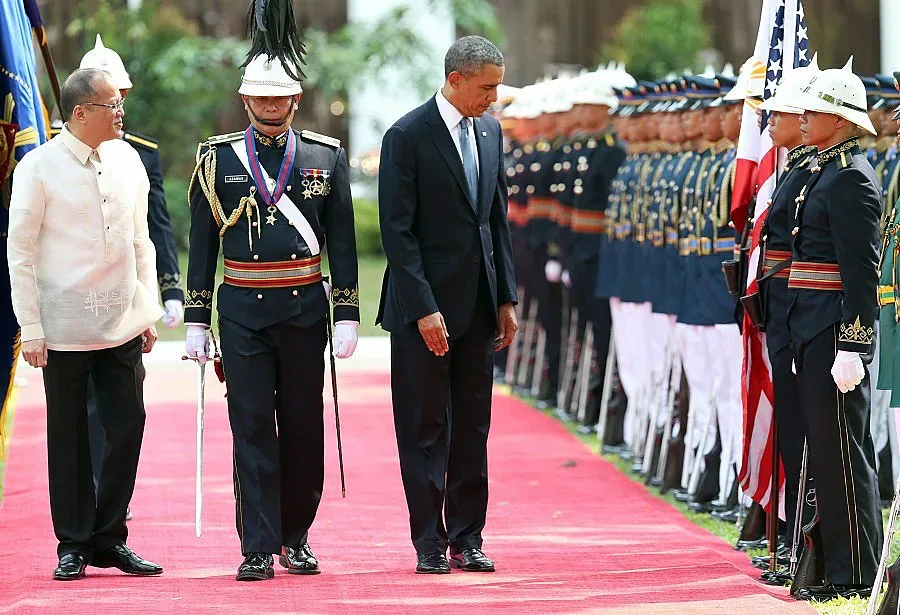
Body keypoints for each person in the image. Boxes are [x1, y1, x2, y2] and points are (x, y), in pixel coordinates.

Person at [184, 0, 359, 581]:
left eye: (277, 97)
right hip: (241, 313)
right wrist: (194, 318)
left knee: (305, 426)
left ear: (294, 99)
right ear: (244, 100)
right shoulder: (217, 159)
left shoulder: (323, 157)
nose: (268, 105)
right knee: (253, 425)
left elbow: (342, 240)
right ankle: (256, 543)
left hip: (305, 310)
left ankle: (297, 533)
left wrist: (347, 312)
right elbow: (203, 243)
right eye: (258, 97)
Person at [7, 68, 164, 581]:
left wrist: (148, 310)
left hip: (121, 320)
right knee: (70, 436)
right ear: (80, 112)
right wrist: (30, 326)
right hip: (63, 326)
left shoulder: (129, 159)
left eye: (120, 103)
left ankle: (109, 535)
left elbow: (141, 239)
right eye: (111, 105)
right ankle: (72, 542)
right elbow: (21, 251)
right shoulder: (38, 167)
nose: (121, 112)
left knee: (128, 428)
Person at [377, 35, 518, 574]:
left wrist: (505, 294)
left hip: (480, 306)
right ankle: (429, 541)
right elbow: (398, 232)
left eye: (497, 87)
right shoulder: (407, 135)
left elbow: (496, 219)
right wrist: (423, 307)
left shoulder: (490, 131)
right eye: (486, 87)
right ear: (456, 79)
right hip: (423, 311)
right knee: (424, 427)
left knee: (472, 428)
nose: (494, 98)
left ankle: (468, 535)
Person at [781, 61, 884, 602]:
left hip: (835, 329)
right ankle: (835, 562)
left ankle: (856, 570)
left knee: (844, 451)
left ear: (840, 120)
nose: (802, 117)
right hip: (811, 322)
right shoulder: (825, 169)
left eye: (814, 110)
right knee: (825, 447)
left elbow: (861, 272)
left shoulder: (849, 179)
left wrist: (854, 343)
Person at [77, 35, 185, 519]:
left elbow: (154, 225)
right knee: (83, 411)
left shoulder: (139, 152)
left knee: (123, 409)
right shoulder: (52, 153)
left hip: (123, 298)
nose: (119, 104)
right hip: (74, 302)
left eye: (121, 95)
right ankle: (93, 500)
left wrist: (169, 288)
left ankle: (113, 501)